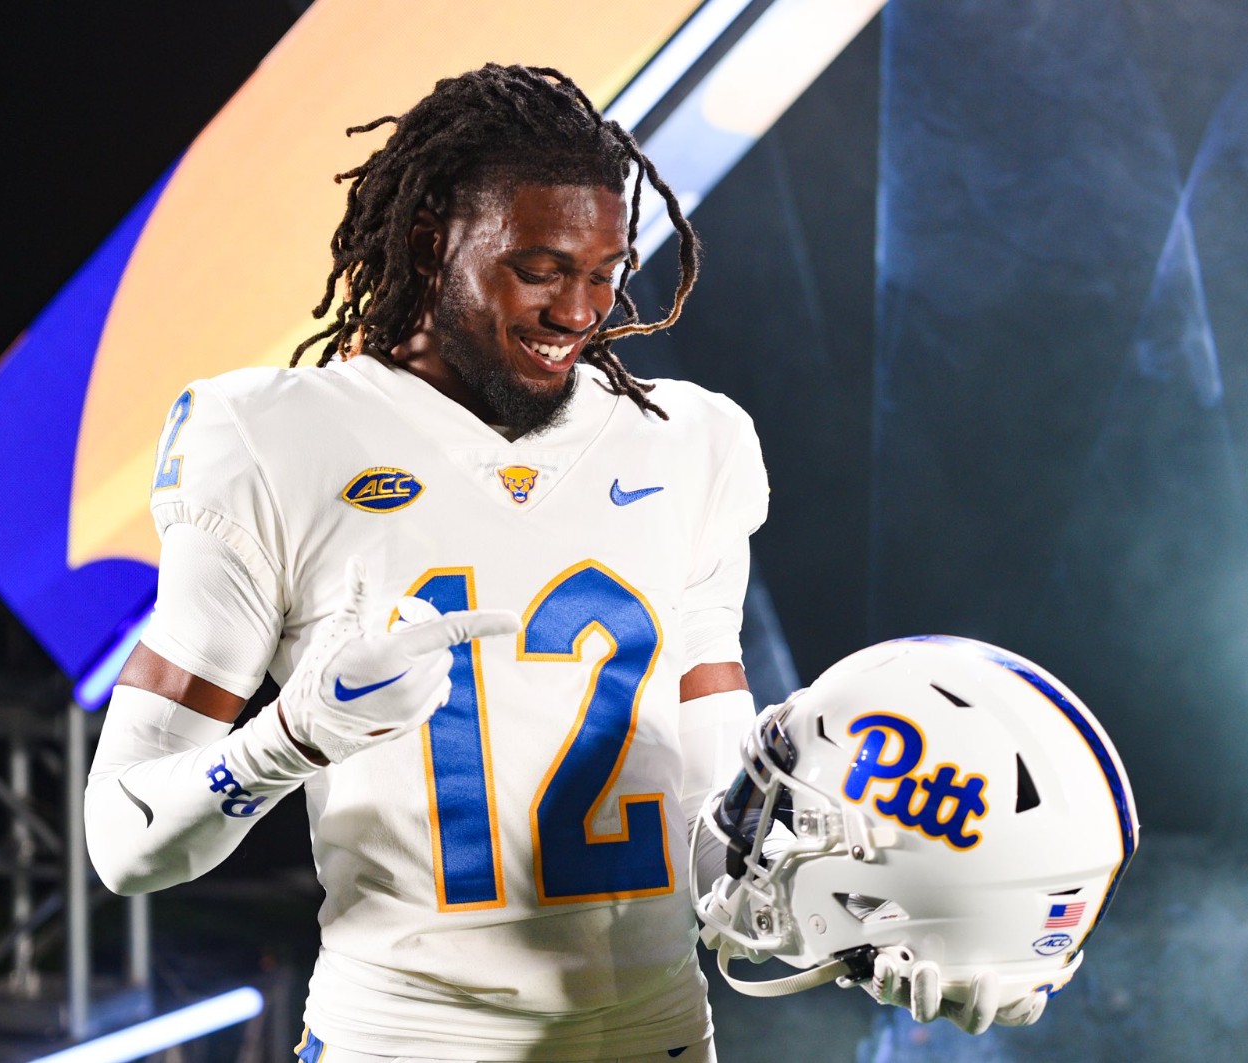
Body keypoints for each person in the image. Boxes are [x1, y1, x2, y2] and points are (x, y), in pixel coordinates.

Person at [84, 64, 767, 1062]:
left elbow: (716, 812)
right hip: (404, 1039)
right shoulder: (268, 435)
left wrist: (873, 910)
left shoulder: (693, 441)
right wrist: (290, 738)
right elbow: (124, 841)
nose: (579, 310)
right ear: (427, 240)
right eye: (540, 268)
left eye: (604, 271)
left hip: (659, 1035)